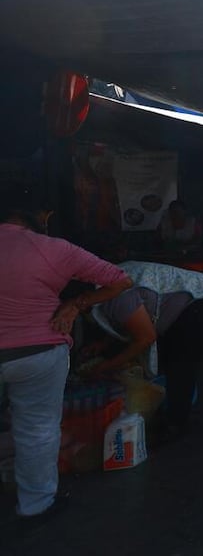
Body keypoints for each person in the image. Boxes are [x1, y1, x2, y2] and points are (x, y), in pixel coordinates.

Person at [0, 193, 131, 521]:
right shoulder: (55, 248)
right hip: (39, 353)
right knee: (37, 430)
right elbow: (121, 280)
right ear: (42, 217)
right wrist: (76, 304)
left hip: (33, 353)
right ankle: (36, 504)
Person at [86, 261, 203, 433]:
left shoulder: (117, 296)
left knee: (180, 362)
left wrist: (107, 366)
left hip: (199, 298)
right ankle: (169, 408)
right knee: (171, 362)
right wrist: (104, 343)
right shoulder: (106, 283)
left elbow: (146, 338)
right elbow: (130, 319)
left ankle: (175, 423)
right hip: (190, 296)